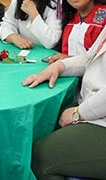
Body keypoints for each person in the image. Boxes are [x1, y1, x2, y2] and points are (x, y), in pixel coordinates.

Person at [22, 25, 106, 180]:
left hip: (100, 120)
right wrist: (59, 66)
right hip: (94, 110)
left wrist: (78, 113)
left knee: (38, 156)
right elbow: (90, 58)